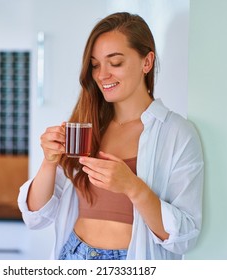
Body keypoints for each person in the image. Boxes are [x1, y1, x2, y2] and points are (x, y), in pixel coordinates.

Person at [18, 12, 204, 260]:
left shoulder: (177, 133)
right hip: (72, 255)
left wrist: (132, 186)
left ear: (146, 62)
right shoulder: (86, 127)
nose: (102, 75)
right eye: (95, 65)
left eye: (114, 63)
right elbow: (35, 216)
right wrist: (49, 162)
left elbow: (184, 236)